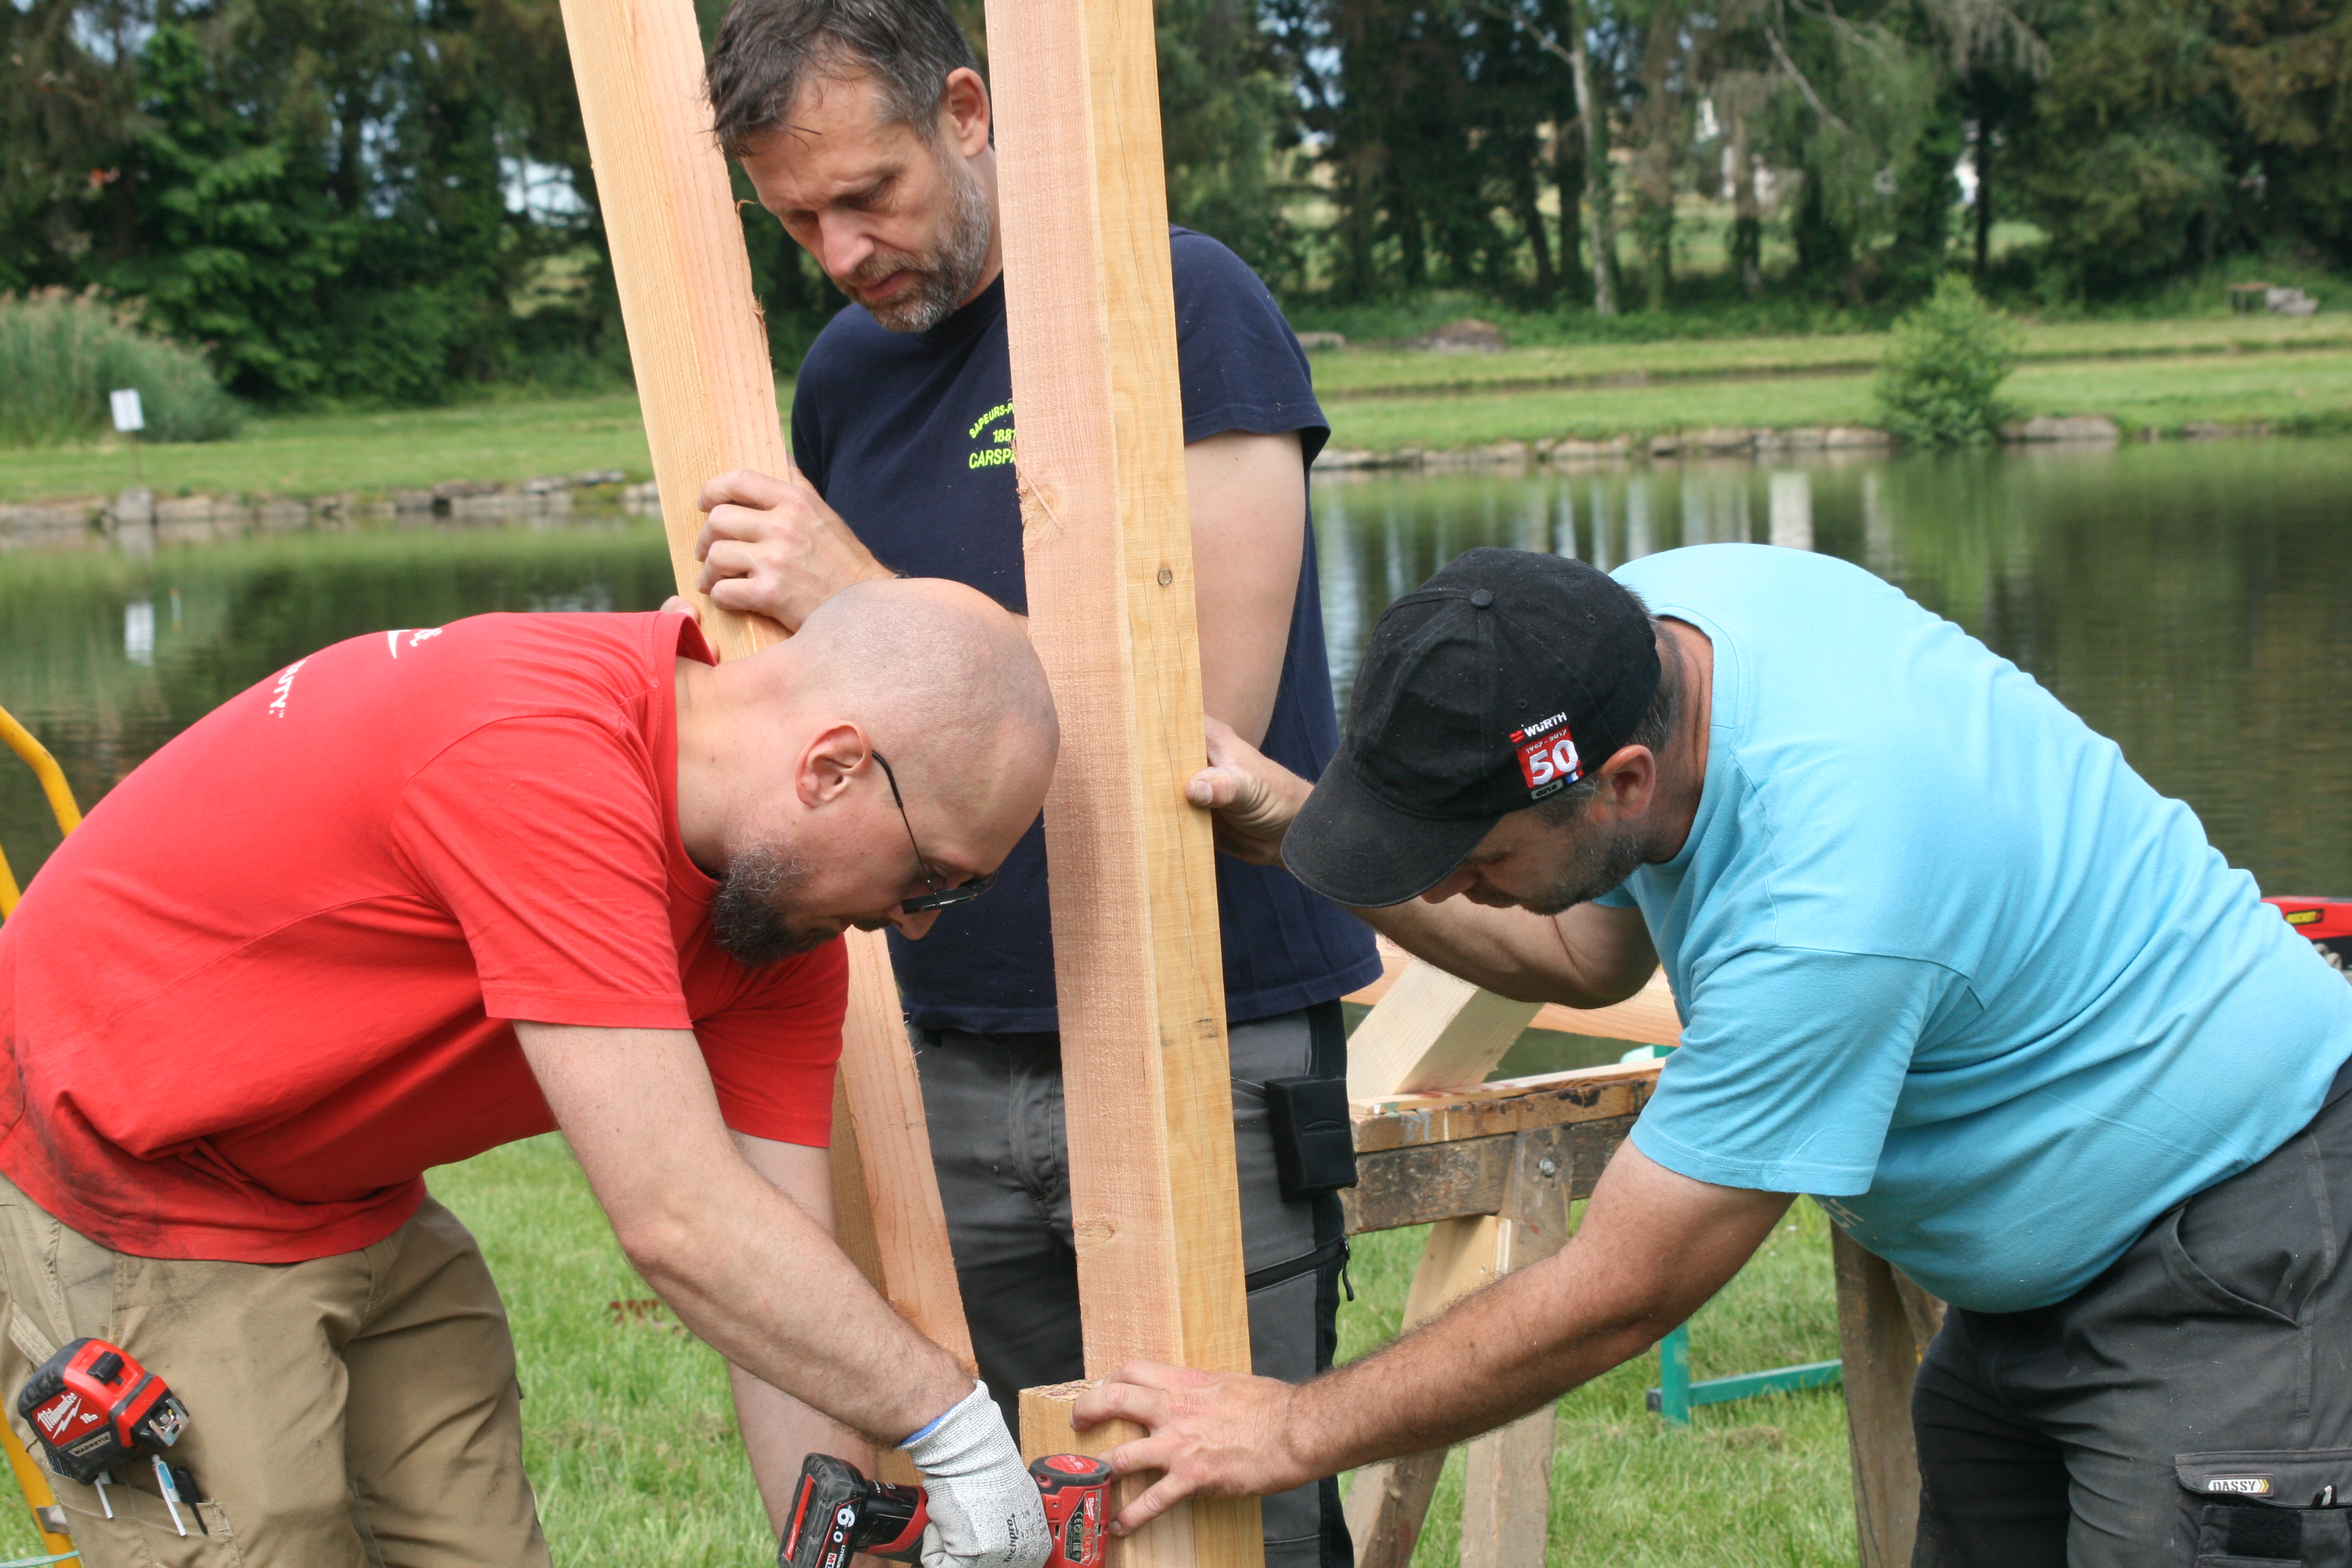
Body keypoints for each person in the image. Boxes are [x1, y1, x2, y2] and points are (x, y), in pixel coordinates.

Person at [1073, 543, 2352, 1568]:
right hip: (2046, 1280)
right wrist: (1299, 823)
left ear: (1624, 781)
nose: (1453, 889)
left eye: (1478, 862)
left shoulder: (1834, 900)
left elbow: (1628, 1287)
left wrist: (1292, 1426)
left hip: (2235, 1261)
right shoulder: (1648, 629)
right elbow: (1589, 956)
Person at [695, 4, 1380, 1564]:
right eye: (798, 216)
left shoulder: (1178, 303)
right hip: (945, 1051)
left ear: (967, 110)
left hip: (1202, 1023)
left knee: (1236, 1517)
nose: (844, 248)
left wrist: (852, 586)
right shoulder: (842, 380)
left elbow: (1204, 720)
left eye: (871, 191)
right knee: (1007, 1515)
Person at [0, 581, 1063, 1568]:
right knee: (263, 1540)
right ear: (830, 767)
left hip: (341, 1193)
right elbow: (680, 1219)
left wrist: (852, 1543)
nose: (917, 922)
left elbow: (778, 1264)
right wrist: (956, 1428)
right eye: (932, 876)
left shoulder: (775, 931)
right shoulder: (535, 752)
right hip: (124, 1180)